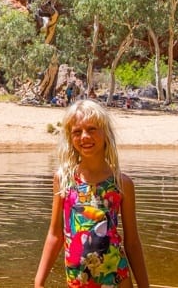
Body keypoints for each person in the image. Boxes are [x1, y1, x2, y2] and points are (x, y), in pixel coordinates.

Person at [35, 100, 149, 288]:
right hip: (78, 280)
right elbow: (55, 235)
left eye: (92, 129)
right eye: (77, 132)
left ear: (106, 134)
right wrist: (38, 282)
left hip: (116, 278)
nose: (85, 137)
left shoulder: (122, 184)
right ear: (70, 138)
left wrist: (144, 286)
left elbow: (132, 242)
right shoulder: (63, 179)